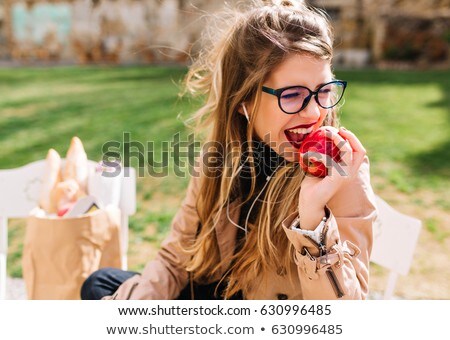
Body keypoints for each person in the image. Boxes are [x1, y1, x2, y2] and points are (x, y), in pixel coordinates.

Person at [81, 0, 377, 300]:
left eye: (324, 91)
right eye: (293, 95)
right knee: (101, 283)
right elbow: (175, 258)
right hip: (214, 295)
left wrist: (313, 219)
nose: (314, 112)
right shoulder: (219, 159)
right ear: (244, 101)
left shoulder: (339, 171)